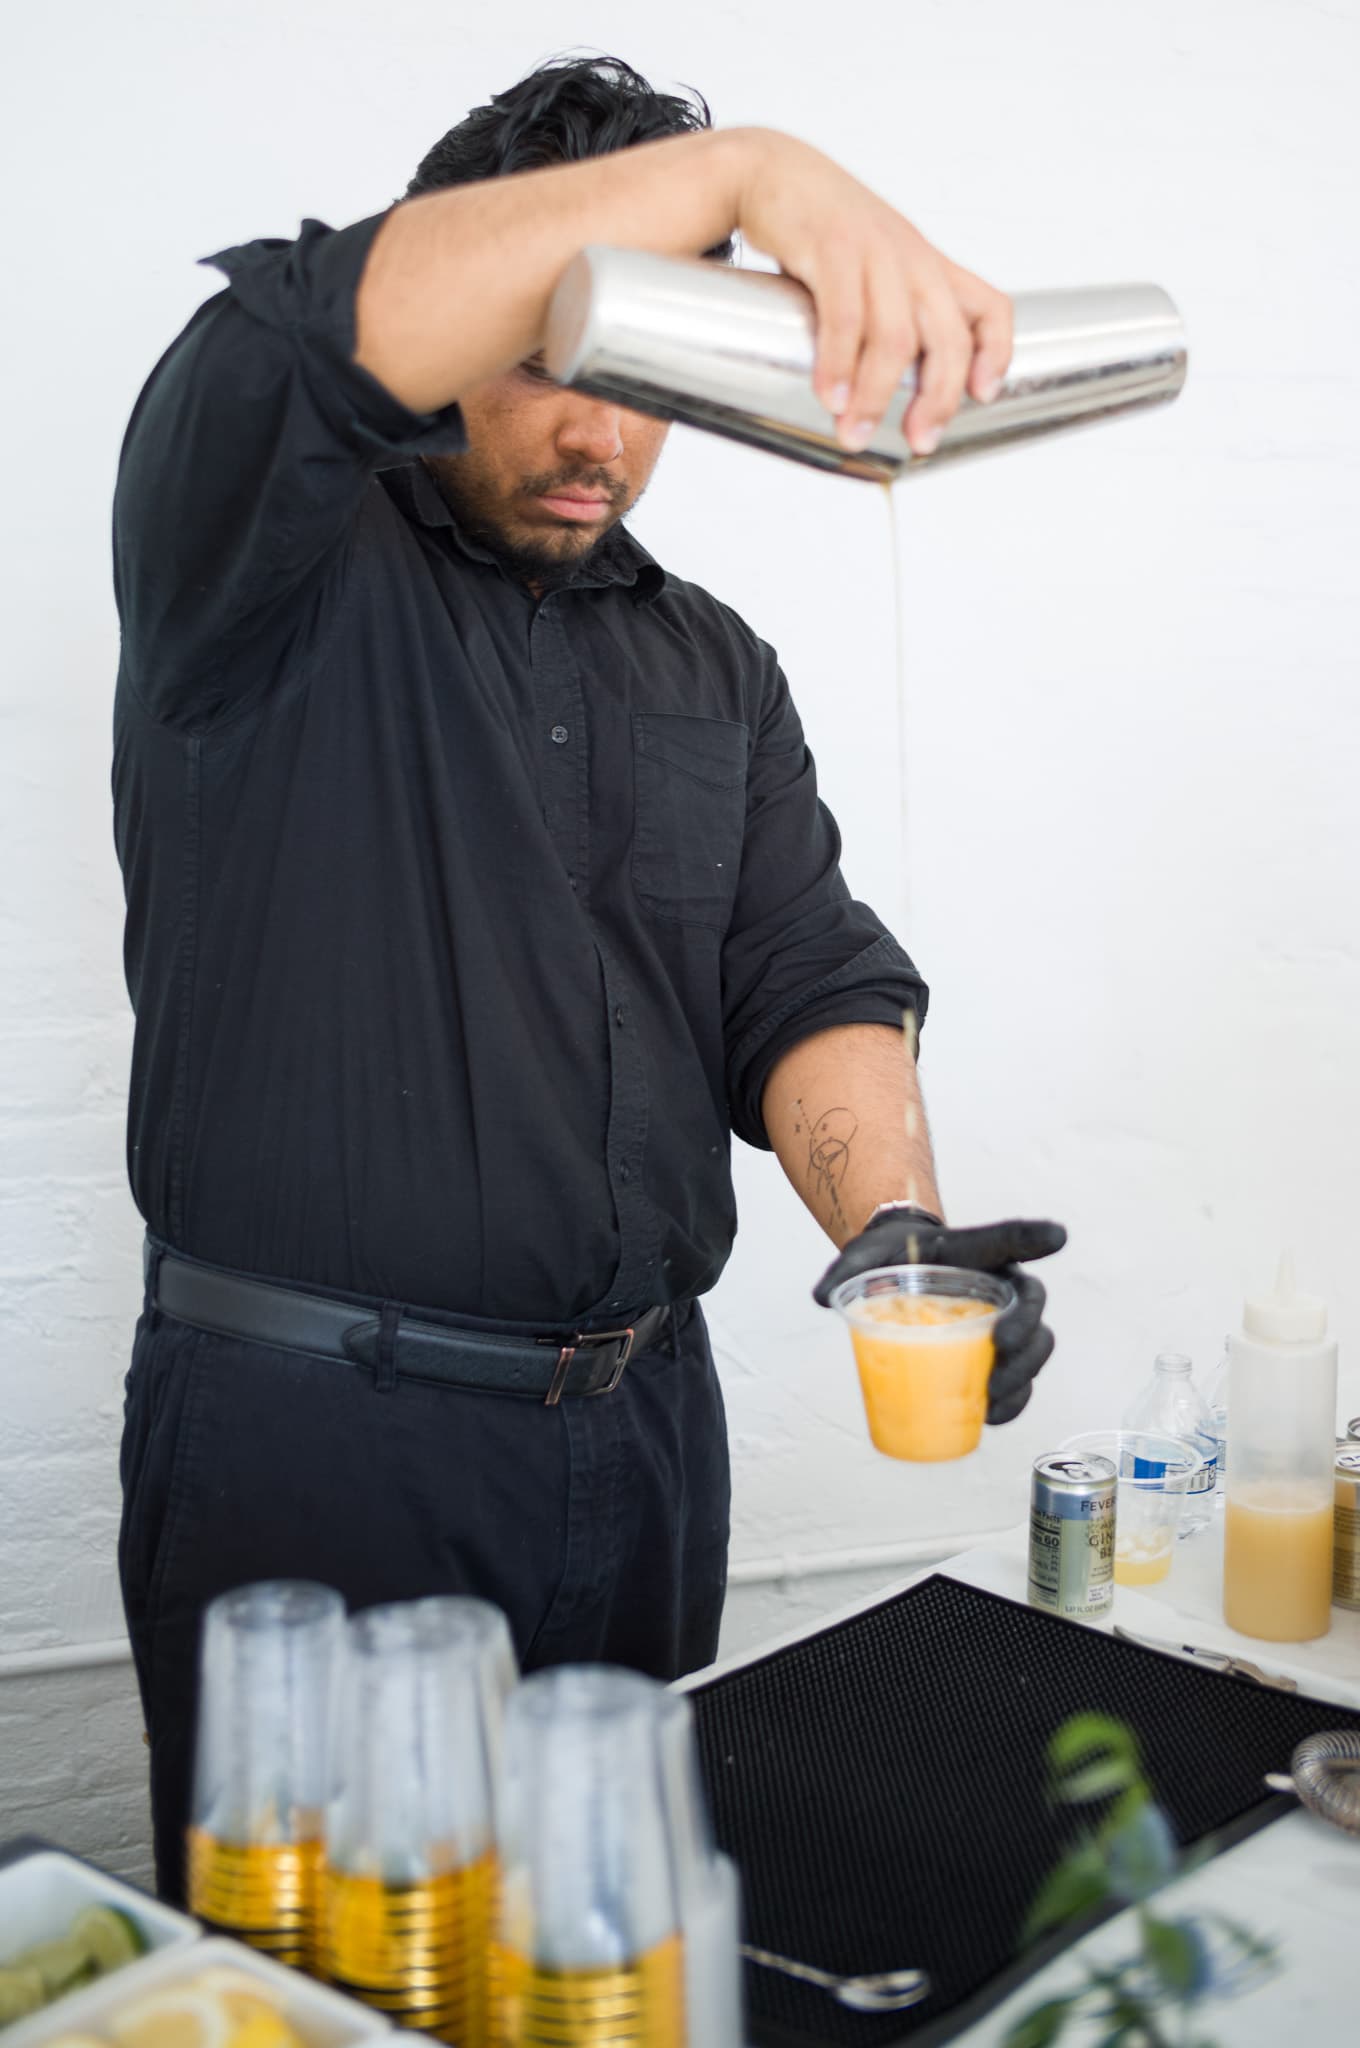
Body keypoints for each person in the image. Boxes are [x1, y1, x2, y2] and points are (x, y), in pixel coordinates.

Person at [111, 54, 1066, 1900]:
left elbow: (805, 979)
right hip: (321, 1462)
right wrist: (757, 173)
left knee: (606, 1970)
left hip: (637, 1452)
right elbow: (300, 329)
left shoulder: (713, 663)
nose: (597, 434)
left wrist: (897, 1233)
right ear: (468, 307)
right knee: (337, 1996)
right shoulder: (258, 555)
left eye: (651, 374)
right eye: (557, 353)